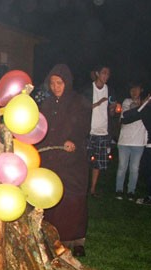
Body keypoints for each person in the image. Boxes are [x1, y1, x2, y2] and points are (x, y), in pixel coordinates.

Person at [39, 64, 91, 257]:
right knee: (53, 197)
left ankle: (76, 240)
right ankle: (55, 237)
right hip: (52, 158)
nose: (55, 87)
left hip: (72, 159)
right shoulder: (47, 104)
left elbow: (83, 126)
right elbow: (41, 127)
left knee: (73, 197)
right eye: (52, 83)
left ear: (67, 82)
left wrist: (74, 141)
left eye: (59, 83)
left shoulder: (78, 102)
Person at [122, 93, 151, 207]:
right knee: (150, 171)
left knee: (148, 171)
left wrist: (141, 105)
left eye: (139, 99)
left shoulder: (147, 107)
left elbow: (126, 117)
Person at [83, 64, 117, 197]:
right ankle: (82, 188)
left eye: (108, 74)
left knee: (99, 162)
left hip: (104, 132)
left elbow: (112, 113)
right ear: (97, 73)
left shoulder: (110, 91)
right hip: (89, 131)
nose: (106, 76)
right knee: (85, 161)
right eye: (103, 73)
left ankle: (92, 189)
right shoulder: (88, 89)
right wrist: (98, 103)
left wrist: (113, 109)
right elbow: (83, 108)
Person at [115, 82, 147, 200]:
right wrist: (140, 107)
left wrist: (143, 106)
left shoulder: (146, 104)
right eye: (132, 89)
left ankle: (131, 191)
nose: (134, 92)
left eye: (137, 89)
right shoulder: (126, 102)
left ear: (141, 90)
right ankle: (119, 189)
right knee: (122, 166)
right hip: (124, 141)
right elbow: (126, 117)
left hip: (139, 142)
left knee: (134, 168)